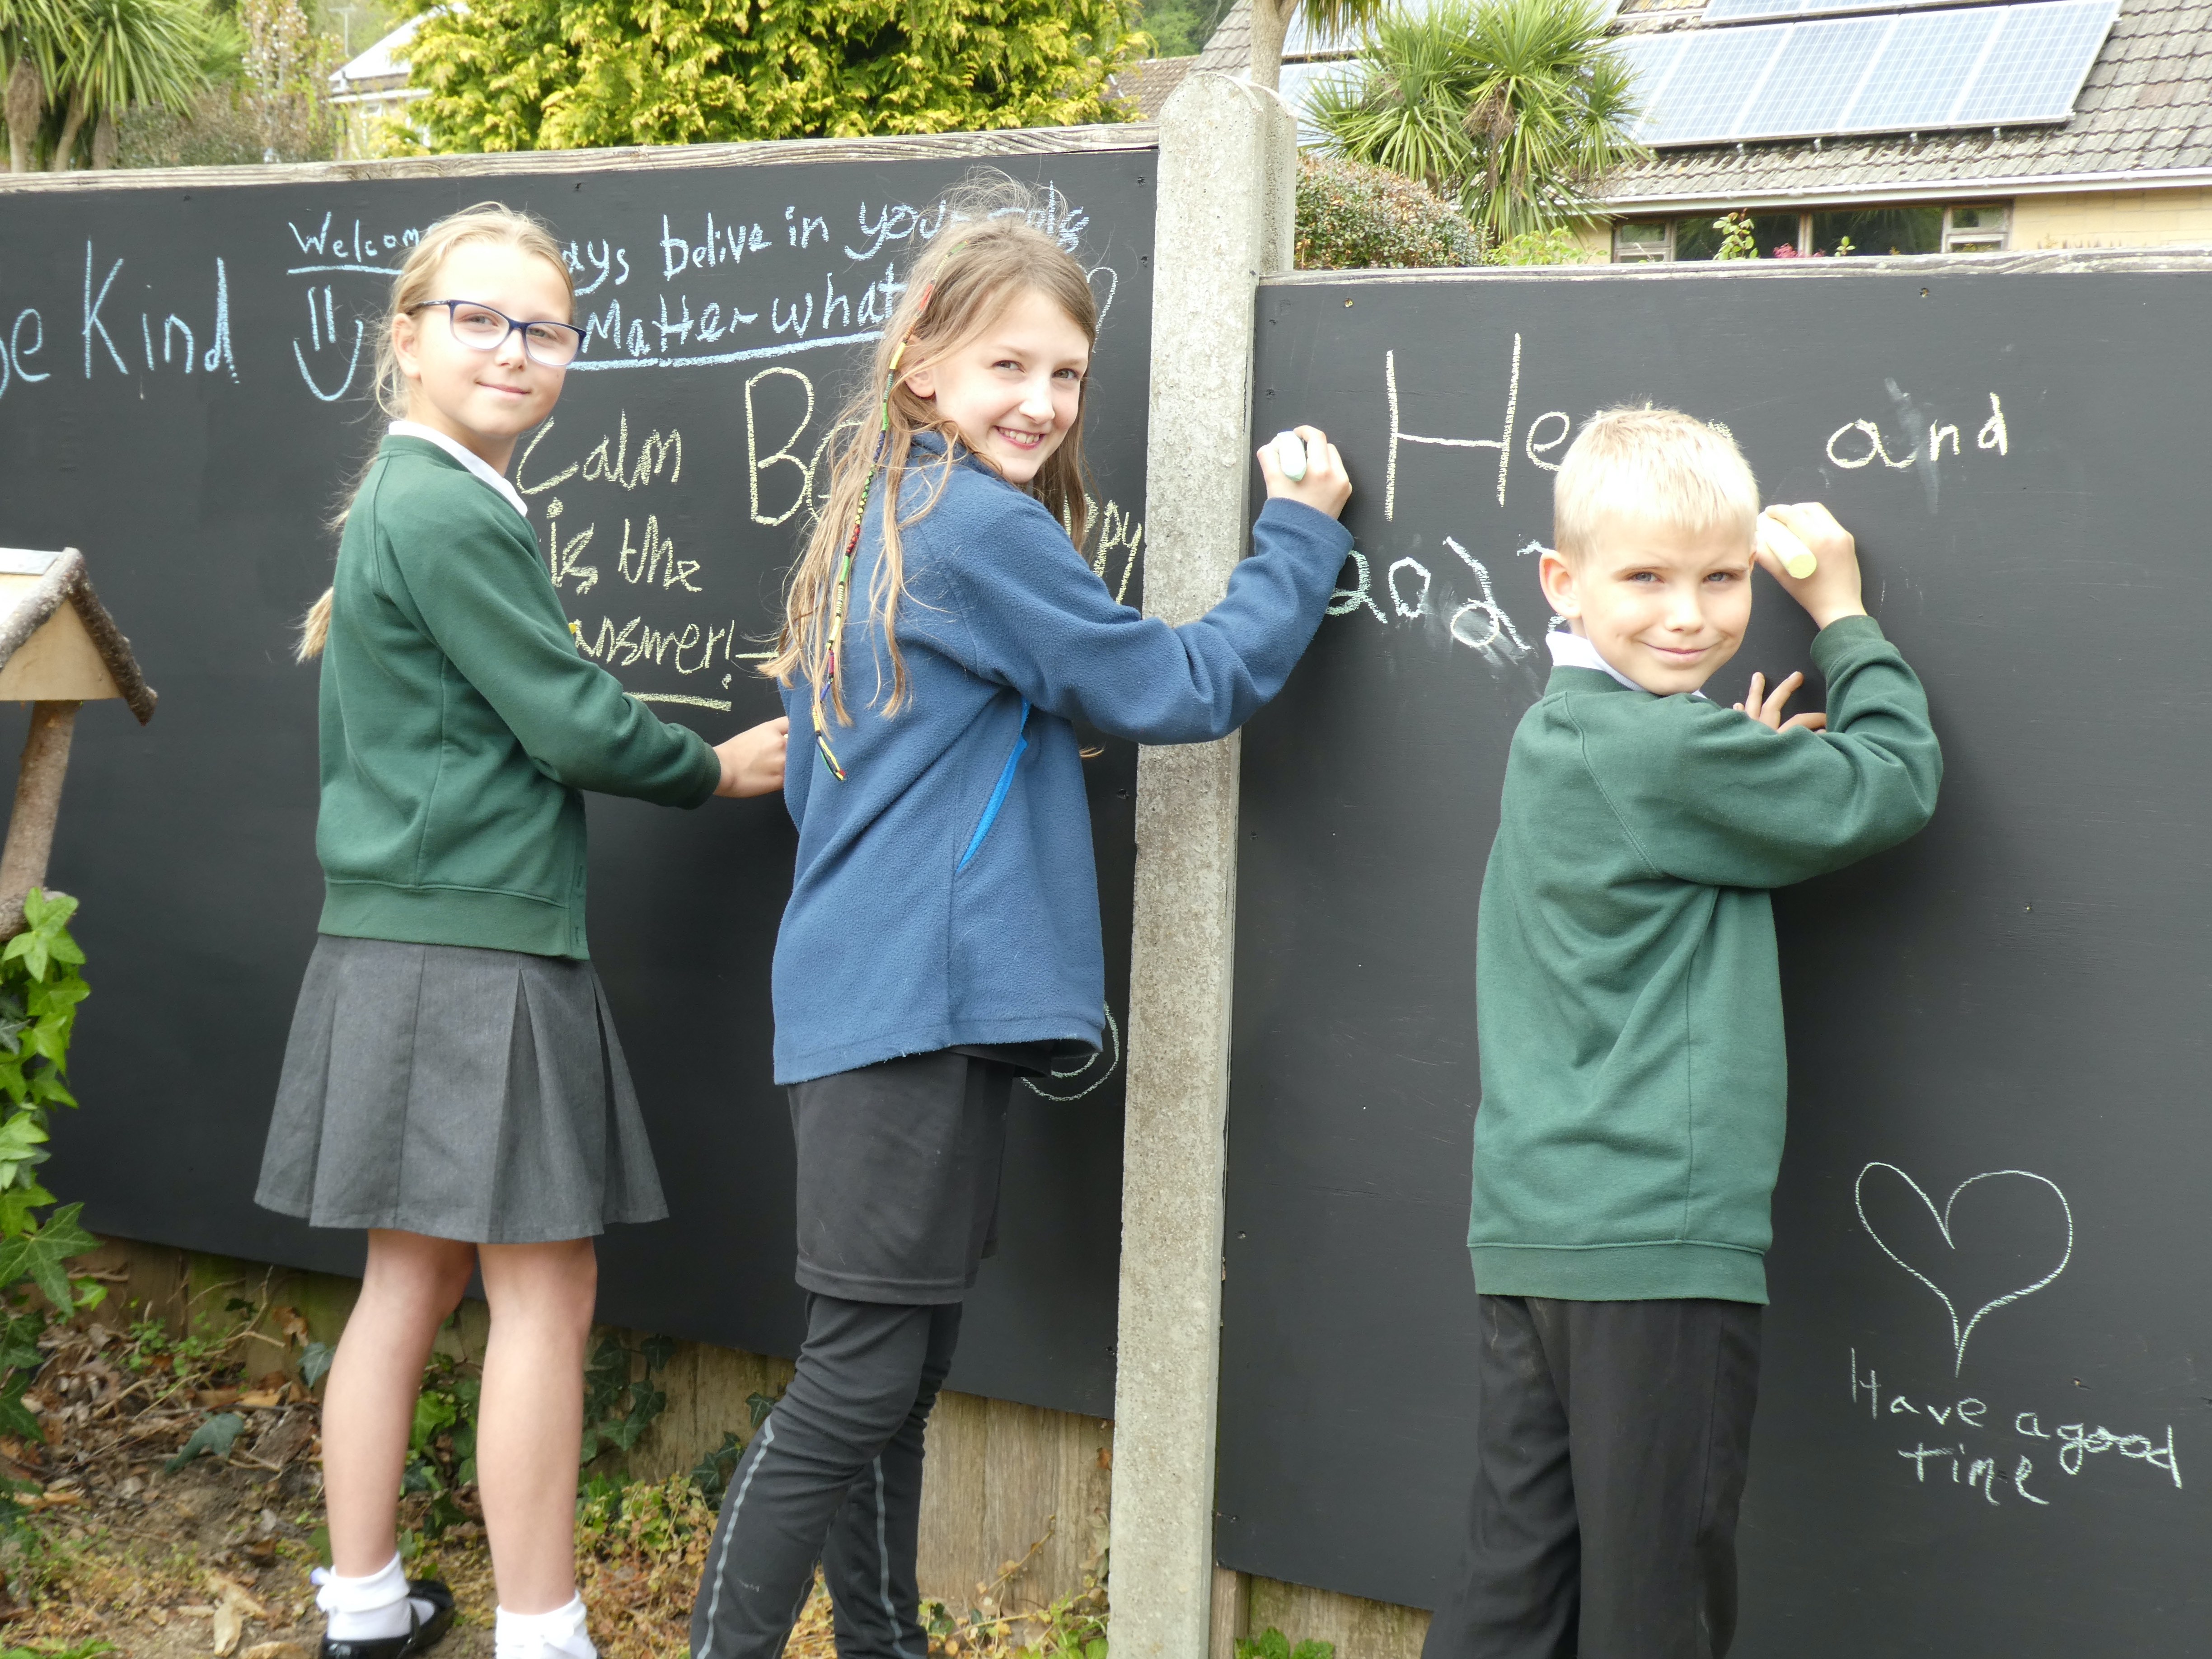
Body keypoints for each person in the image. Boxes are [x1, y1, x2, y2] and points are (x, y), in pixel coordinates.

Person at [686, 188, 1354, 1659]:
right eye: (1009, 368)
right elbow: (1172, 686)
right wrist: (1300, 538)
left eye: (1067, 376)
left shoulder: (886, 506)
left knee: (899, 1374)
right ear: (921, 363)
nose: (1044, 402)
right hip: (908, 1010)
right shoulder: (973, 527)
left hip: (892, 1005)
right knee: (856, 1384)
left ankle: (884, 1646)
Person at [256, 203, 788, 1659]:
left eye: (542, 330)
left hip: (396, 946)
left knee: (408, 1281)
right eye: (481, 320)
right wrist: (722, 764)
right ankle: (543, 1635)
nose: (514, 349)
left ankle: (366, 1610)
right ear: (409, 338)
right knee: (546, 1294)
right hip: (479, 954)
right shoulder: (442, 505)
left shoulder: (420, 499)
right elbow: (566, 719)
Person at [1422, 408, 1942, 1659]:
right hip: (1655, 1240)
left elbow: (1669, 829)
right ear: (1563, 582)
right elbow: (1892, 783)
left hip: (1538, 1233)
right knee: (1660, 1599)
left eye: (1720, 580)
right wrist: (1846, 619)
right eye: (1647, 578)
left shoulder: (1563, 732)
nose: (1692, 614)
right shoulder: (1665, 754)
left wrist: (1733, 763)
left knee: (1517, 1584)